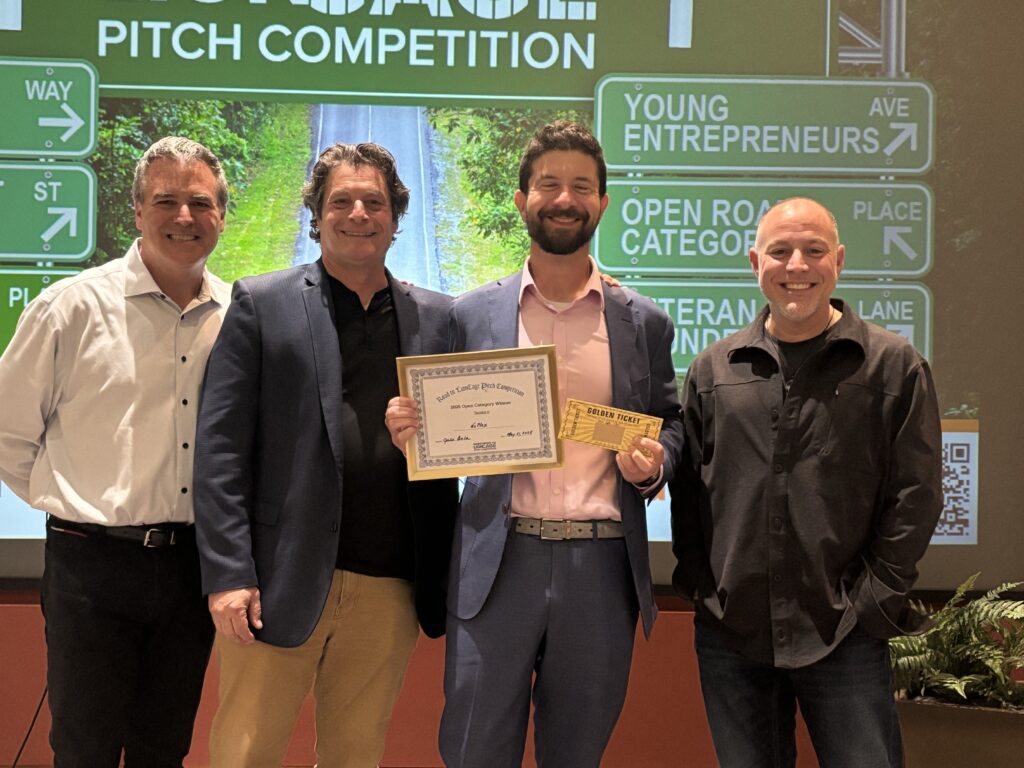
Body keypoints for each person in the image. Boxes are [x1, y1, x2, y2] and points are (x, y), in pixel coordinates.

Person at [387, 120, 683, 767]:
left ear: (603, 202)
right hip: (498, 563)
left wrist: (656, 462)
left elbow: (671, 422)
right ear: (522, 200)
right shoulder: (469, 314)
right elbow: (440, 423)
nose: (564, 198)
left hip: (601, 568)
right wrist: (412, 426)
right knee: (473, 751)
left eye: (581, 186)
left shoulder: (644, 321)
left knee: (576, 754)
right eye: (549, 184)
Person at [193, 142, 458, 767]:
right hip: (275, 582)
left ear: (395, 216)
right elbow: (220, 450)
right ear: (316, 214)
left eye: (375, 202)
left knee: (355, 756)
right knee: (245, 755)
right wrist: (228, 574)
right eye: (341, 201)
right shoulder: (262, 303)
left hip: (389, 586)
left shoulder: (439, 319)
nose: (358, 214)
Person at [671, 197, 943, 767]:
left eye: (814, 251)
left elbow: (916, 496)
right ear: (755, 263)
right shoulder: (712, 371)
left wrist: (872, 603)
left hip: (845, 633)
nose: (797, 265)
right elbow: (690, 492)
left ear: (838, 261)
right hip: (732, 634)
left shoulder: (895, 367)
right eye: (780, 251)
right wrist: (702, 587)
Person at [0, 137, 229, 766]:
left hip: (190, 570)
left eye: (200, 202)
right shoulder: (70, 308)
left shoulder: (236, 315)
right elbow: (8, 433)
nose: (183, 216)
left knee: (165, 747)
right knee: (85, 748)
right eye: (166, 200)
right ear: (137, 211)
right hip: (90, 564)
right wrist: (72, 499)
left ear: (220, 215)